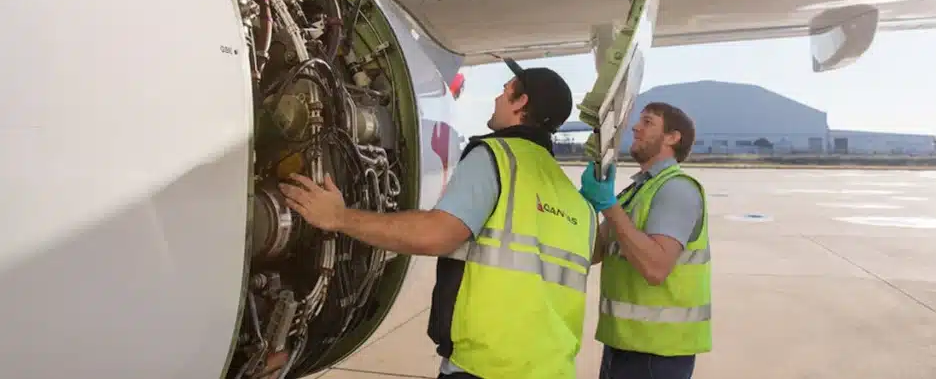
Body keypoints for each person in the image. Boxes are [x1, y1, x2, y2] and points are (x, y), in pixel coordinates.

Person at [280, 58, 597, 379]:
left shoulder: (496, 158)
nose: (497, 98)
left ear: (520, 102)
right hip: (554, 370)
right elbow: (593, 255)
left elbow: (436, 235)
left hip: (484, 368)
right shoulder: (575, 200)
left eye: (505, 91)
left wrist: (339, 216)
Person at [578, 102, 710, 379]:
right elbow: (593, 253)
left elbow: (655, 267)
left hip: (658, 352)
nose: (636, 128)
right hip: (623, 345)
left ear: (672, 137)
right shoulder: (636, 192)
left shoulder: (676, 189)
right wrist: (582, 206)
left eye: (648, 122)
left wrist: (609, 206)